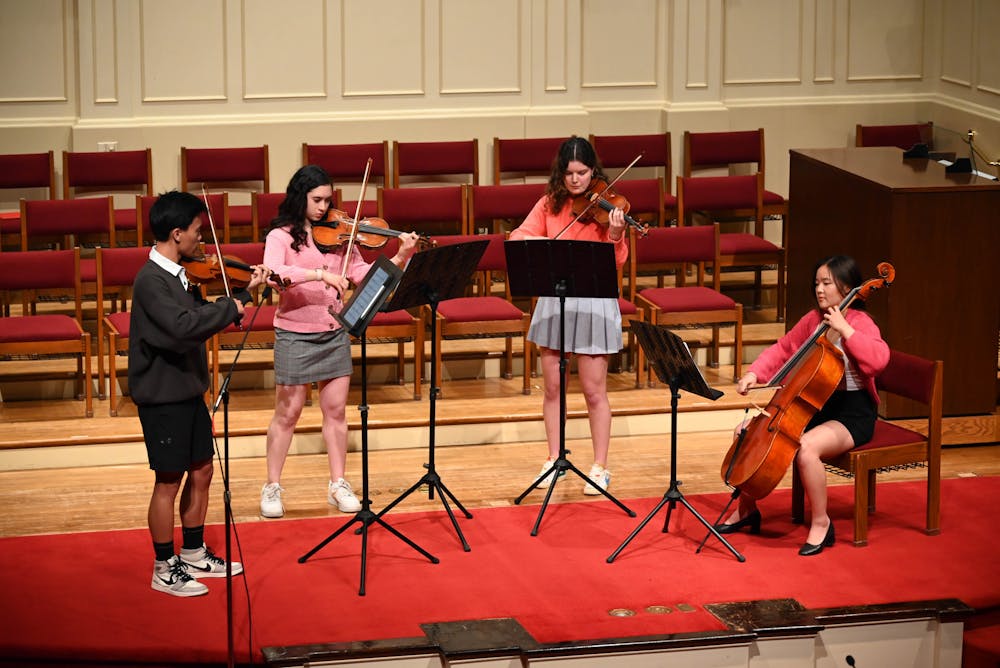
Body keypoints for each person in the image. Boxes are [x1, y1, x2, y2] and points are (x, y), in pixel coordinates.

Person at [259, 165, 420, 518]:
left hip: (333, 332)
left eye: (328, 200)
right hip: (294, 333)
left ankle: (338, 483)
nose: (323, 208)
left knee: (335, 413)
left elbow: (364, 276)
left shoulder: (341, 238)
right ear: (299, 197)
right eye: (317, 200)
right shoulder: (281, 236)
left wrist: (400, 256)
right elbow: (274, 273)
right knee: (288, 413)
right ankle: (272, 485)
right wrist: (320, 273)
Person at [130, 190, 267, 597]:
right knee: (168, 481)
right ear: (176, 233)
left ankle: (192, 552)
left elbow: (200, 319)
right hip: (162, 396)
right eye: (197, 232)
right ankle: (163, 565)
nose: (202, 241)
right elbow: (184, 327)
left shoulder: (180, 274)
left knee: (203, 470)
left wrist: (241, 298)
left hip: (188, 388)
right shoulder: (151, 282)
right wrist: (232, 305)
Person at [716, 255, 890, 556]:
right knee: (744, 431)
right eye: (817, 283)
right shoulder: (813, 320)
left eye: (827, 283)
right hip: (814, 404)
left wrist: (846, 330)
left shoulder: (862, 323)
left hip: (853, 412)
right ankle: (747, 509)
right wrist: (754, 373)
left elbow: (878, 360)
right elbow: (783, 349)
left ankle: (822, 522)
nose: (819, 289)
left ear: (847, 287)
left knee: (807, 449)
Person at [508, 136, 628, 496]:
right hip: (555, 299)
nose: (575, 180)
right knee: (554, 388)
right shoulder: (549, 203)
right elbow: (519, 235)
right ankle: (554, 458)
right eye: (569, 173)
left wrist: (617, 234)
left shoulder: (606, 208)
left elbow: (617, 261)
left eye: (582, 173)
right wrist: (526, 241)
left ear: (594, 171)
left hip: (593, 301)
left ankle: (600, 466)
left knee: (594, 391)